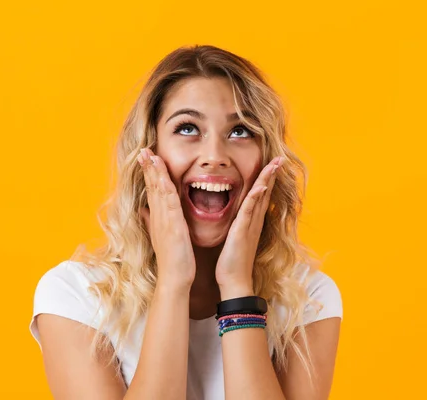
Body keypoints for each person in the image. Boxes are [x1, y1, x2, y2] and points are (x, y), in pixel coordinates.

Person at [29, 44, 343, 400]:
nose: (214, 157)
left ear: (265, 160)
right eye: (188, 128)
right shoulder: (75, 296)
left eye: (240, 131)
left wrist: (237, 286)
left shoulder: (309, 300)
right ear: (149, 152)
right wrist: (174, 282)